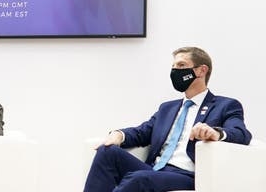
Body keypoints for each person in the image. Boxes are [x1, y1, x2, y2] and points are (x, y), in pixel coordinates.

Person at [84, 47, 252, 192]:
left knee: (139, 179)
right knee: (107, 150)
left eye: (181, 65)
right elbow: (143, 131)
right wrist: (119, 134)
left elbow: (241, 133)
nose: (175, 71)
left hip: (186, 175)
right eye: (173, 66)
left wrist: (215, 133)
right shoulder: (167, 108)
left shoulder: (226, 105)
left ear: (201, 70)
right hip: (155, 170)